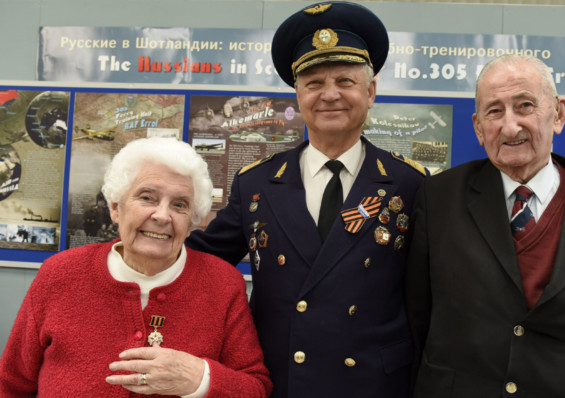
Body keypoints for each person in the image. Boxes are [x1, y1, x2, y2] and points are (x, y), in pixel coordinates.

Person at [185, 2, 427, 397]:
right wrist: (119, 257)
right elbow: (202, 261)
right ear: (297, 96)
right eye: (314, 83)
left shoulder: (409, 184)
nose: (330, 95)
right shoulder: (257, 184)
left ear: (371, 92)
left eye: (345, 81)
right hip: (283, 381)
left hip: (374, 384)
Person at [405, 54, 565, 397]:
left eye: (525, 105)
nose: (510, 126)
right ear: (478, 127)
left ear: (559, 114)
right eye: (494, 111)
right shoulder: (438, 201)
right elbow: (414, 327)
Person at [0, 137, 272, 397]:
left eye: (179, 205)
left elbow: (255, 387)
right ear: (116, 208)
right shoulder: (59, 274)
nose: (162, 216)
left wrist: (200, 379)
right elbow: (11, 385)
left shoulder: (223, 284)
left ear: (191, 222)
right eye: (147, 198)